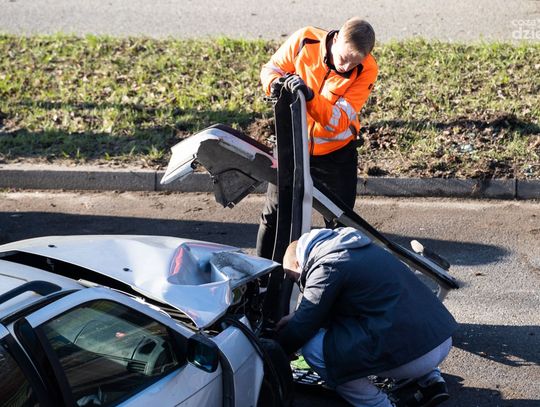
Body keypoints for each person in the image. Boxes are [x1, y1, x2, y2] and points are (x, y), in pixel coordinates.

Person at [276, 227, 458, 407]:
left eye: (292, 277)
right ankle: (432, 382)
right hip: (440, 338)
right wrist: (298, 316)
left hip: (416, 357)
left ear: (298, 264)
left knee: (313, 349)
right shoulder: (356, 246)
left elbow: (303, 327)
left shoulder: (326, 266)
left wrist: (276, 351)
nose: (296, 282)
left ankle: (380, 404)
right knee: (394, 315)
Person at [256, 17, 378, 259]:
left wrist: (310, 97)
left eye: (354, 62)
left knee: (340, 225)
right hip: (292, 145)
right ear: (336, 39)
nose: (345, 67)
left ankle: (332, 276)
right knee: (274, 215)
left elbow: (338, 121)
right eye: (344, 58)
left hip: (336, 156)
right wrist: (275, 83)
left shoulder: (367, 69)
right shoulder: (306, 39)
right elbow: (271, 69)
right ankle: (262, 274)